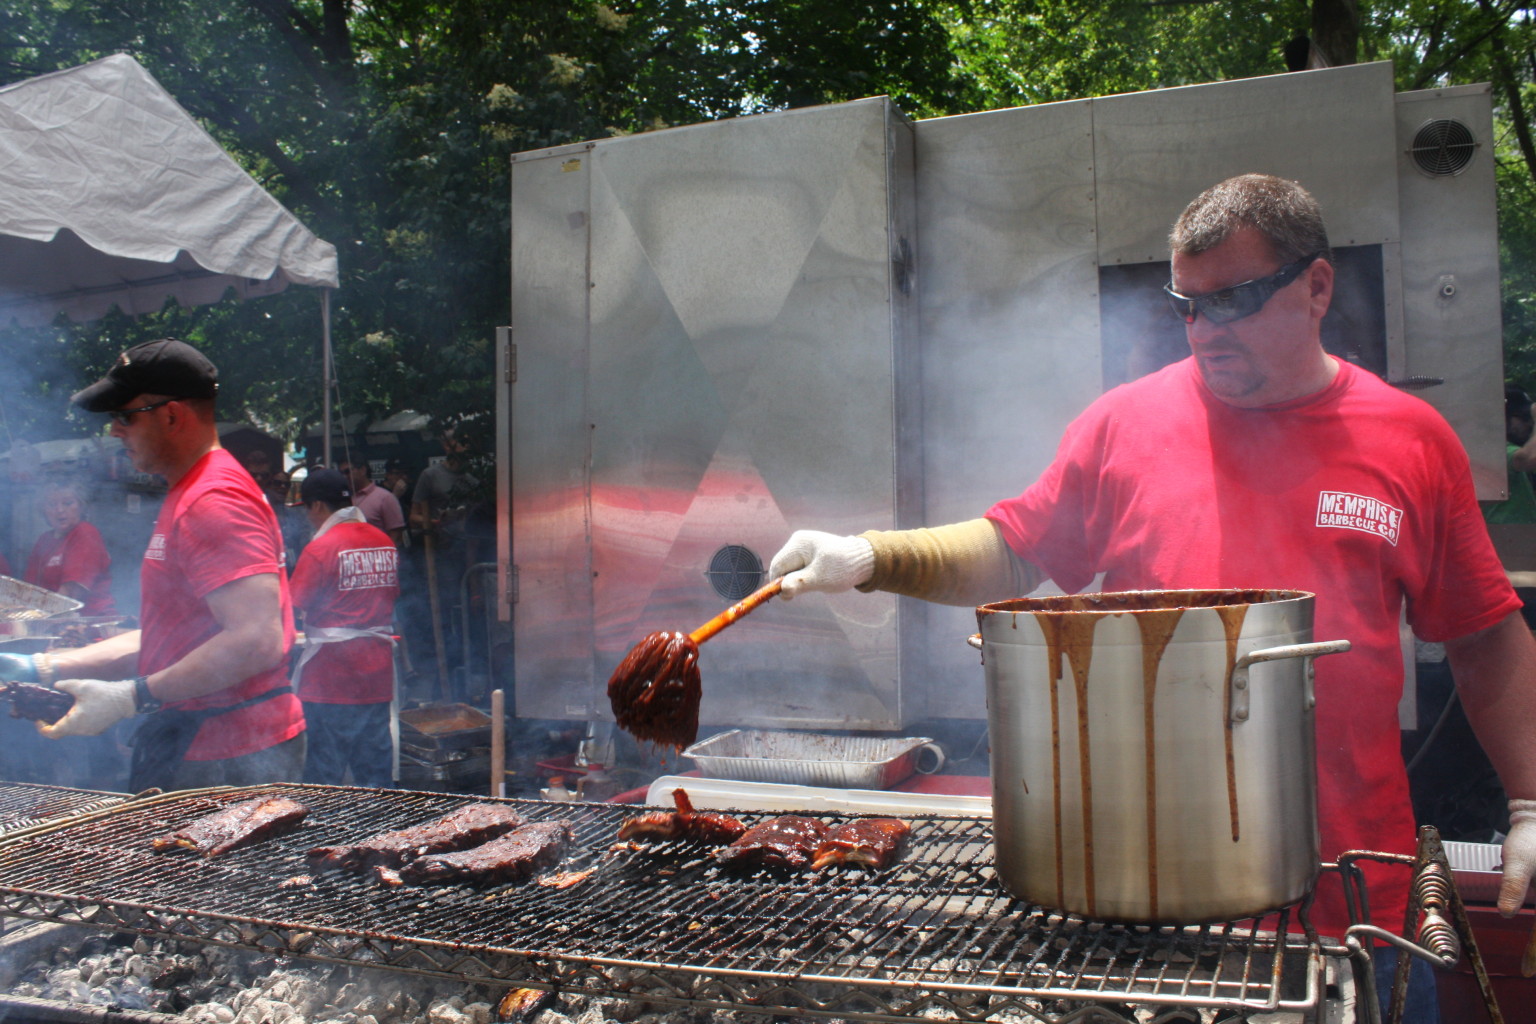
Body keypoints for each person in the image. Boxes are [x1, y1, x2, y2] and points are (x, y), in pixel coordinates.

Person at [768, 174, 1536, 1022]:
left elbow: (1485, 635)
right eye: (1186, 305)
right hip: (1146, 909)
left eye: (1236, 300)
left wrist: (1530, 801)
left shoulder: (1410, 439)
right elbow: (1019, 550)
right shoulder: (1123, 425)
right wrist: (872, 557)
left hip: (1351, 906)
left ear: (1316, 287)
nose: (1205, 331)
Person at [0, 339, 305, 790]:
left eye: (124, 416)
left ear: (171, 415)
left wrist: (132, 695)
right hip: (206, 742)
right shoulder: (191, 491)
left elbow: (256, 639)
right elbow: (174, 636)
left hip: (231, 753)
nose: (114, 431)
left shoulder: (212, 498)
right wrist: (47, 668)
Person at [288, 468, 400, 787]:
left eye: (307, 509)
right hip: (376, 674)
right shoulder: (384, 541)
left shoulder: (321, 549)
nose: (308, 518)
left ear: (318, 507)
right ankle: (383, 831)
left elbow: (295, 603)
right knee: (375, 772)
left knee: (325, 775)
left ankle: (325, 833)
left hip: (331, 677)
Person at [24, 480, 116, 615]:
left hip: (89, 623)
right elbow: (28, 590)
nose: (60, 510)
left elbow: (70, 593)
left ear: (81, 506)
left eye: (68, 503)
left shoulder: (85, 533)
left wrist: (35, 618)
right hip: (52, 621)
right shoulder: (44, 539)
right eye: (51, 504)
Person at [1483, 383, 1536, 523]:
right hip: (1504, 536)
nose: (1529, 424)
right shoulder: (1494, 449)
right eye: (1524, 418)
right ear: (1503, 418)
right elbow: (1528, 458)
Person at [338, 453, 405, 546]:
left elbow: (396, 535)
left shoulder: (385, 498)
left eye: (348, 471)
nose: (344, 477)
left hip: (378, 558)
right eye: (341, 473)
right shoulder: (342, 498)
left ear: (362, 470)